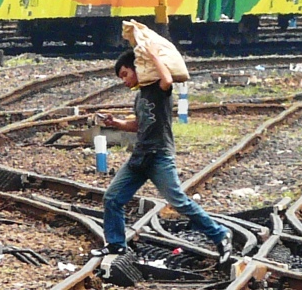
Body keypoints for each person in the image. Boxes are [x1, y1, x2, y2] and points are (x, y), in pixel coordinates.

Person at [98, 49, 233, 263]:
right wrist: (117, 124)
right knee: (112, 198)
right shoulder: (140, 96)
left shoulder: (158, 90)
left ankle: (220, 234)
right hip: (140, 157)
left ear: (137, 68)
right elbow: (138, 125)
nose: (123, 80)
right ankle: (115, 244)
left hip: (159, 156)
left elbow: (168, 78)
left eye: (125, 74)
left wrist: (151, 56)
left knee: (178, 202)